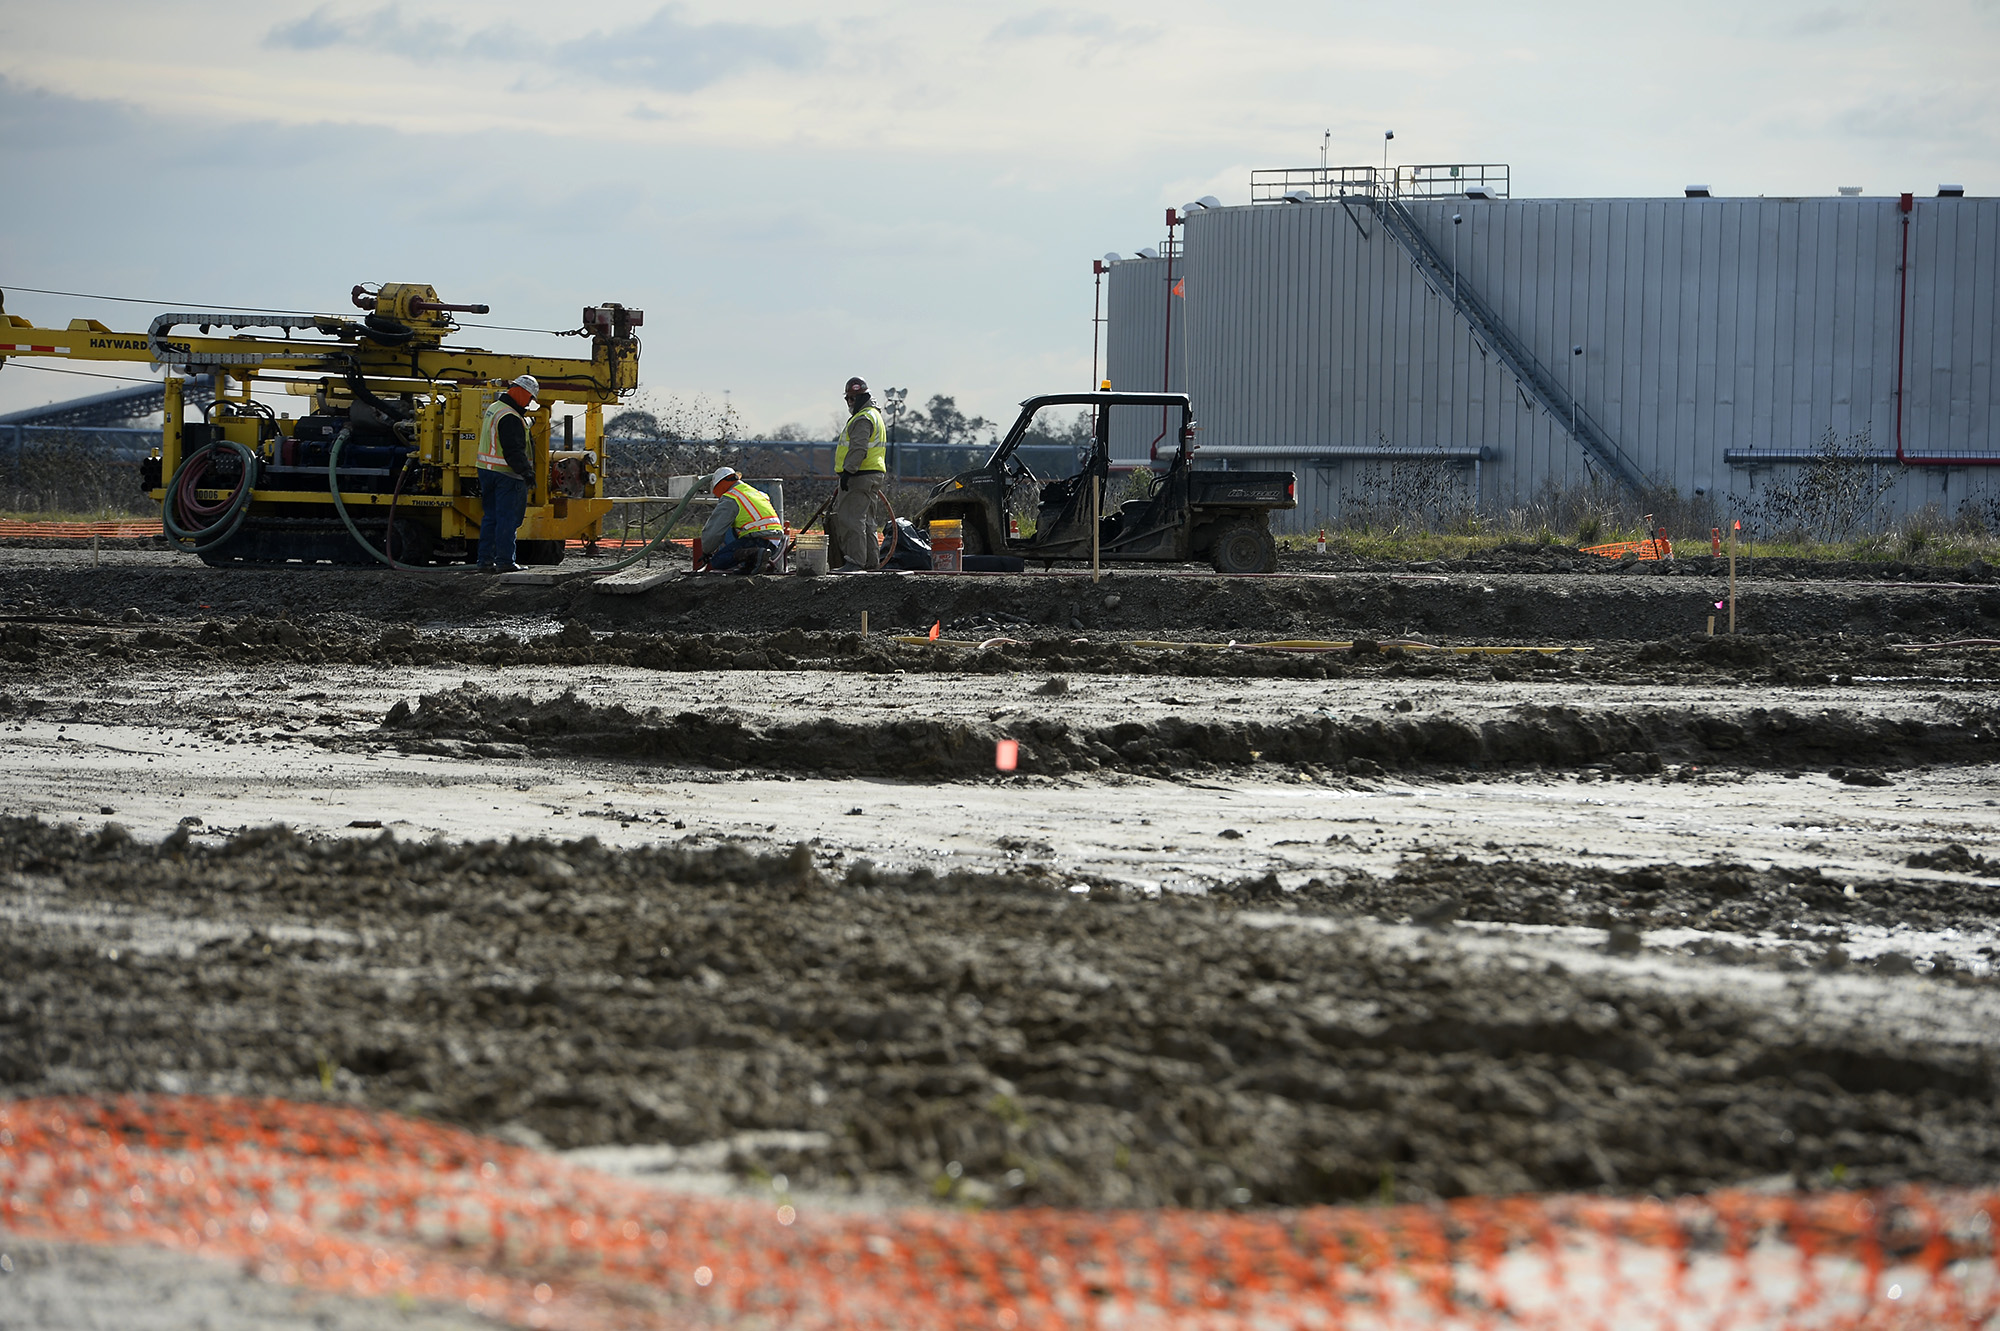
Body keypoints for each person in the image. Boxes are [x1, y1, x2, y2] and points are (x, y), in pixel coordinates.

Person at [477, 374, 537, 573]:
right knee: (508, 519)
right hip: (507, 475)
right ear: (521, 391)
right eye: (530, 397)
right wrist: (527, 473)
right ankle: (505, 561)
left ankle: (485, 561)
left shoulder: (495, 409)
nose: (529, 402)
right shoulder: (510, 416)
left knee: (491, 517)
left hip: (487, 471)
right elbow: (513, 450)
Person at [831, 375, 887, 572]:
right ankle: (872, 563)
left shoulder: (863, 418)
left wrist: (848, 472)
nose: (849, 402)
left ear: (859, 398)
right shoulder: (875, 415)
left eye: (851, 398)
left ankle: (855, 562)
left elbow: (859, 448)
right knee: (868, 521)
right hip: (873, 474)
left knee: (851, 519)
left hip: (859, 475)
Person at [700, 466, 785, 574]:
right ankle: (754, 562)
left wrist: (707, 550)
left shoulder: (731, 497)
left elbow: (713, 532)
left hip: (759, 539)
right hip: (776, 542)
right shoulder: (754, 492)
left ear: (719, 486)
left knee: (718, 560)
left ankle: (756, 554)